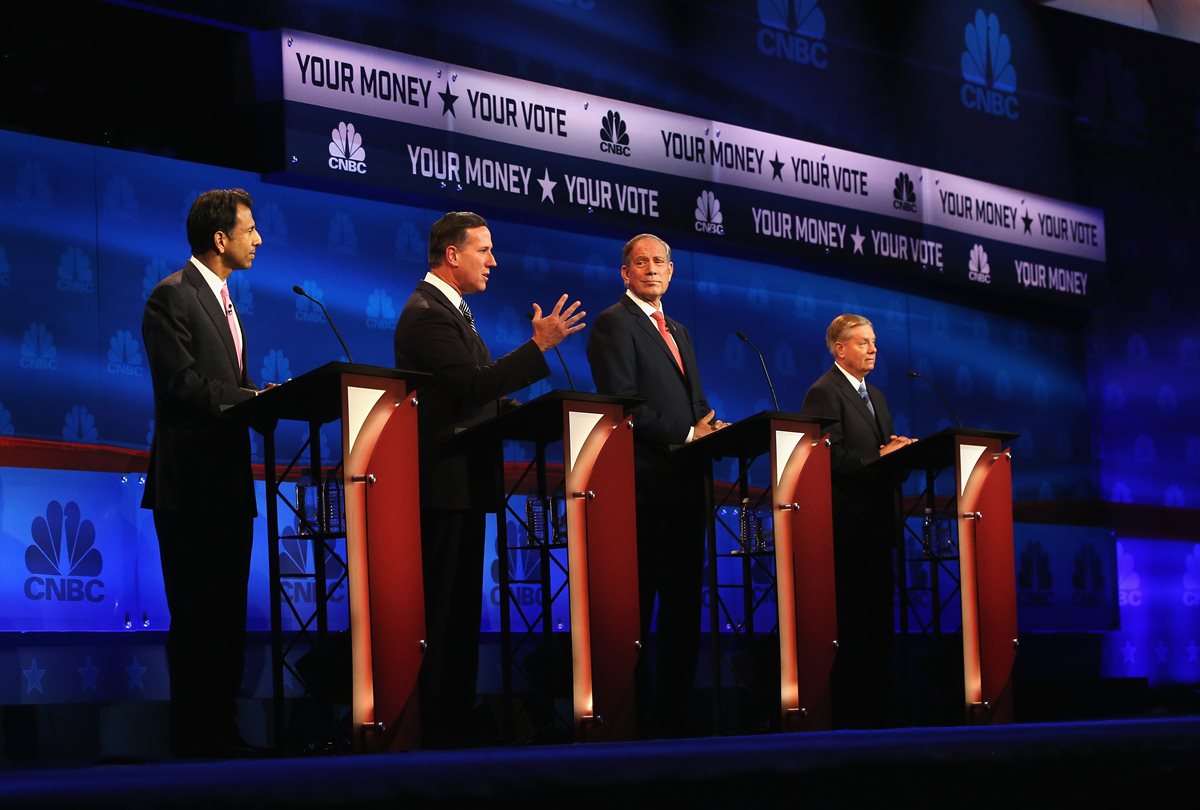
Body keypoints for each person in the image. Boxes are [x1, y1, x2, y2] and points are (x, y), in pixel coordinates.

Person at [393, 210, 585, 748]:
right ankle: (435, 729)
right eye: (484, 250)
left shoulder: (452, 311)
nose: (494, 261)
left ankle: (452, 726)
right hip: (443, 486)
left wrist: (526, 408)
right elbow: (467, 389)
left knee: (460, 620)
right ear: (452, 255)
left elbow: (478, 394)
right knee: (443, 618)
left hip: (466, 485)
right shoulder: (426, 313)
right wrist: (538, 348)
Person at [142, 187, 271, 758]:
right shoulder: (171, 297)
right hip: (190, 485)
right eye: (249, 230)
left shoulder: (225, 300)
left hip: (228, 484)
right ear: (221, 239)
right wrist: (250, 399)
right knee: (196, 616)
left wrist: (260, 401)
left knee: (227, 616)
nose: (258, 239)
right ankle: (194, 738)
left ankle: (223, 731)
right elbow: (182, 386)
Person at [586, 233, 729, 737]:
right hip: (643, 491)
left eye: (660, 262)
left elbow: (695, 400)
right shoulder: (612, 324)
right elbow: (623, 403)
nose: (651, 269)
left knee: (685, 611)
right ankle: (634, 723)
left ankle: (678, 721)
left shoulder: (680, 331)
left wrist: (707, 426)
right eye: (641, 262)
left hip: (686, 488)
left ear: (672, 272)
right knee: (640, 615)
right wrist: (690, 433)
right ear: (625, 273)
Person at [801, 313, 915, 729]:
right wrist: (878, 458)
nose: (873, 349)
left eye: (874, 341)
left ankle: (880, 713)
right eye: (864, 342)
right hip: (847, 530)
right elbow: (826, 460)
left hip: (878, 526)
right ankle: (850, 717)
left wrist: (899, 455)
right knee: (853, 627)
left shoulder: (878, 396)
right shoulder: (823, 393)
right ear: (840, 348)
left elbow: (879, 460)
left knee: (879, 627)